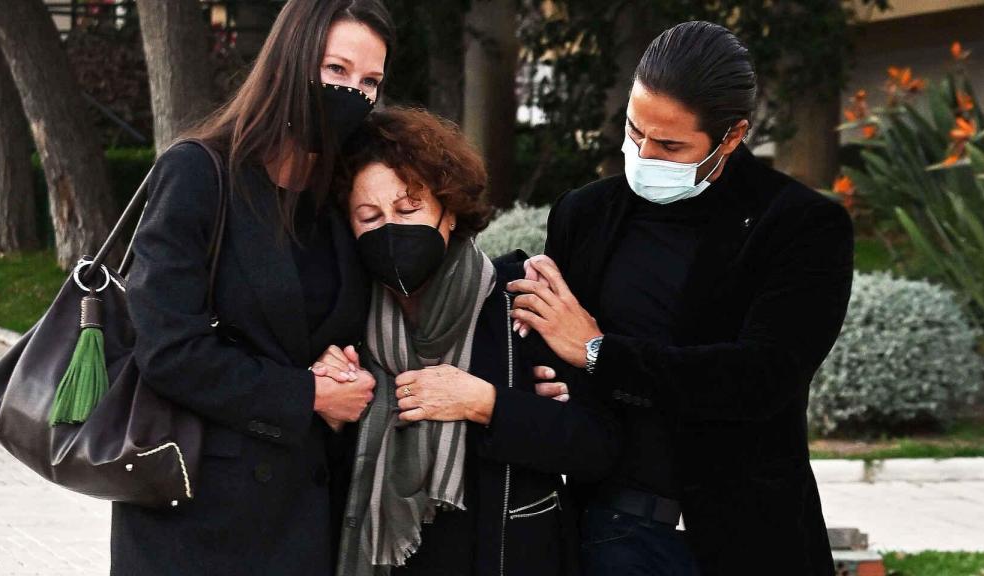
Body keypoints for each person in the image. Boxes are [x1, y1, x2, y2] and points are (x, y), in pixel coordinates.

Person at [510, 21, 853, 576]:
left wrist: (599, 352)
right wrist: (551, 377)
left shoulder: (800, 226)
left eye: (670, 144)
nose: (643, 153)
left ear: (732, 136)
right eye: (634, 130)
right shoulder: (585, 214)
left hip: (745, 539)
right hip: (607, 531)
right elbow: (559, 357)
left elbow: (761, 377)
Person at [112, 1, 394, 574]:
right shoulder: (199, 172)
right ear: (291, 61)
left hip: (306, 516)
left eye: (370, 81)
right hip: (196, 520)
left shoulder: (340, 195)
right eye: (336, 70)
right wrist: (307, 395)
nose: (353, 94)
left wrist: (348, 374)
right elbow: (168, 348)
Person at [314, 107, 620, 576]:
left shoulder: (520, 302)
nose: (391, 229)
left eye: (409, 208)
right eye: (369, 216)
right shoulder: (345, 321)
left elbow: (594, 447)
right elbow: (326, 471)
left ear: (449, 210)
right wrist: (331, 404)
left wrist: (486, 404)